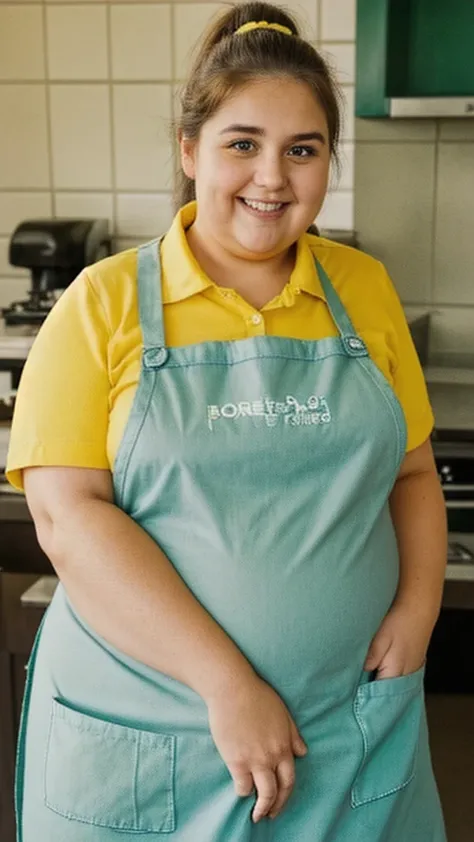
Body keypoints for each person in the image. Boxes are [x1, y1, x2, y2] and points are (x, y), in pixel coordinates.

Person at [6, 3, 447, 840]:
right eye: (242, 144)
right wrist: (227, 685)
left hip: (352, 734)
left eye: (302, 150)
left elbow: (413, 475)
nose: (272, 177)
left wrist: (419, 608)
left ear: (329, 163)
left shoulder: (364, 289)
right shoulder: (100, 306)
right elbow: (69, 520)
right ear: (189, 150)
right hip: (158, 742)